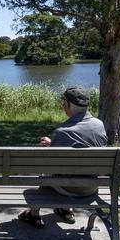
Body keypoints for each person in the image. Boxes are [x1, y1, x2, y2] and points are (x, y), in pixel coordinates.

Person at [18, 87, 107, 228]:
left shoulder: (62, 132)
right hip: (91, 187)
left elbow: (50, 164)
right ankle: (66, 210)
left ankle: (34, 214)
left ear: (69, 104)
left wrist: (51, 146)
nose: (62, 105)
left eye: (63, 101)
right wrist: (53, 145)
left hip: (69, 188)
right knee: (67, 168)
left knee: (47, 173)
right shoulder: (99, 125)